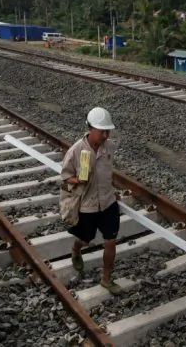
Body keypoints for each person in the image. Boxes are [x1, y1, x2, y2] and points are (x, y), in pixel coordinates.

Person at [60, 107, 122, 294]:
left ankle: (106, 279)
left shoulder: (109, 147)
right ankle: (77, 249)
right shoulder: (76, 151)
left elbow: (109, 172)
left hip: (108, 202)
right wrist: (78, 180)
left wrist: (112, 189)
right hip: (87, 206)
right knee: (86, 239)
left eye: (107, 131)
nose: (105, 135)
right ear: (90, 128)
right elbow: (65, 177)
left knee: (110, 241)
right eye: (101, 131)